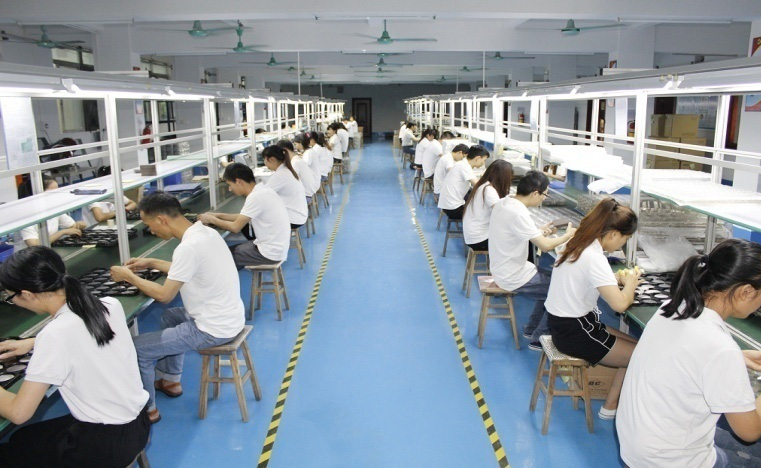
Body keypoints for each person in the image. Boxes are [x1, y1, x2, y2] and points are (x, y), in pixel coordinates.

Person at [0, 246, 150, 466]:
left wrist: (43, 342)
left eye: (11, 297)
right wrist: (33, 342)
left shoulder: (55, 335)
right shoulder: (109, 304)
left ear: (27, 294)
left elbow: (19, 413)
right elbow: (82, 333)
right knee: (24, 437)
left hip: (102, 446)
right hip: (138, 424)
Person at [617, 239, 761, 468]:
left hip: (639, 446)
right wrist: (731, 359)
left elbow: (686, 355)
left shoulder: (674, 307)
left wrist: (738, 357)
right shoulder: (720, 348)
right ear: (746, 291)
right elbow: (750, 431)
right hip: (670, 461)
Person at [110, 192, 245, 423]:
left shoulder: (188, 247)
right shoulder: (205, 233)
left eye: (149, 224)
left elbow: (164, 295)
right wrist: (150, 262)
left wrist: (129, 277)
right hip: (230, 317)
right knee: (171, 317)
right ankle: (170, 379)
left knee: (136, 349)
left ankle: (149, 410)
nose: (151, 230)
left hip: (211, 329)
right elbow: (185, 266)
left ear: (161, 219)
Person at [544, 197, 639, 418]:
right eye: (625, 239)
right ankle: (611, 407)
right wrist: (631, 284)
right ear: (613, 234)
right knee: (640, 355)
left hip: (563, 324)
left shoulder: (577, 244)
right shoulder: (594, 257)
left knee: (638, 347)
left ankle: (612, 404)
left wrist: (615, 279)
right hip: (575, 332)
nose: (622, 245)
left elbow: (586, 277)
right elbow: (620, 304)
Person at [488, 171, 577, 349]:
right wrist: (567, 236)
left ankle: (531, 328)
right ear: (535, 193)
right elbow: (546, 246)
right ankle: (539, 338)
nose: (544, 198)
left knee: (553, 281)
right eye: (545, 194)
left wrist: (539, 231)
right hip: (512, 275)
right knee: (559, 290)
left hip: (504, 267)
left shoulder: (505, 202)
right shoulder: (518, 213)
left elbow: (517, 230)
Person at [198, 163, 290, 270]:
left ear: (238, 181)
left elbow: (235, 227)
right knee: (227, 251)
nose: (230, 189)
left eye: (230, 184)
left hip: (269, 253)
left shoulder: (255, 197)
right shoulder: (263, 190)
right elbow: (243, 216)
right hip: (276, 248)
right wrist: (218, 215)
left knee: (218, 258)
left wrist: (211, 219)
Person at [17, 177, 87, 248]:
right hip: (28, 254)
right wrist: (62, 232)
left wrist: (79, 225)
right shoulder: (25, 215)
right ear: (38, 194)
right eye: (53, 193)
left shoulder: (53, 208)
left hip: (47, 250)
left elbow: (72, 226)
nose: (56, 196)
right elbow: (34, 244)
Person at [462, 160, 513, 252]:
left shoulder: (483, 185)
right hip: (479, 239)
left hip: (473, 234)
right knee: (520, 239)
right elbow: (502, 213)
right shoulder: (489, 190)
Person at [437, 145, 489, 220]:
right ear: (478, 158)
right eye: (484, 160)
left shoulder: (463, 164)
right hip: (453, 209)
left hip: (449, 204)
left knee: (474, 198)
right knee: (483, 215)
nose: (484, 163)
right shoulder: (464, 166)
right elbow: (478, 185)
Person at [261, 145, 308, 229]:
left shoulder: (280, 175)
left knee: (259, 218)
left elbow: (262, 195)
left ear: (271, 159)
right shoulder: (287, 170)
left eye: (264, 159)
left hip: (293, 219)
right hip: (300, 214)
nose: (264, 162)